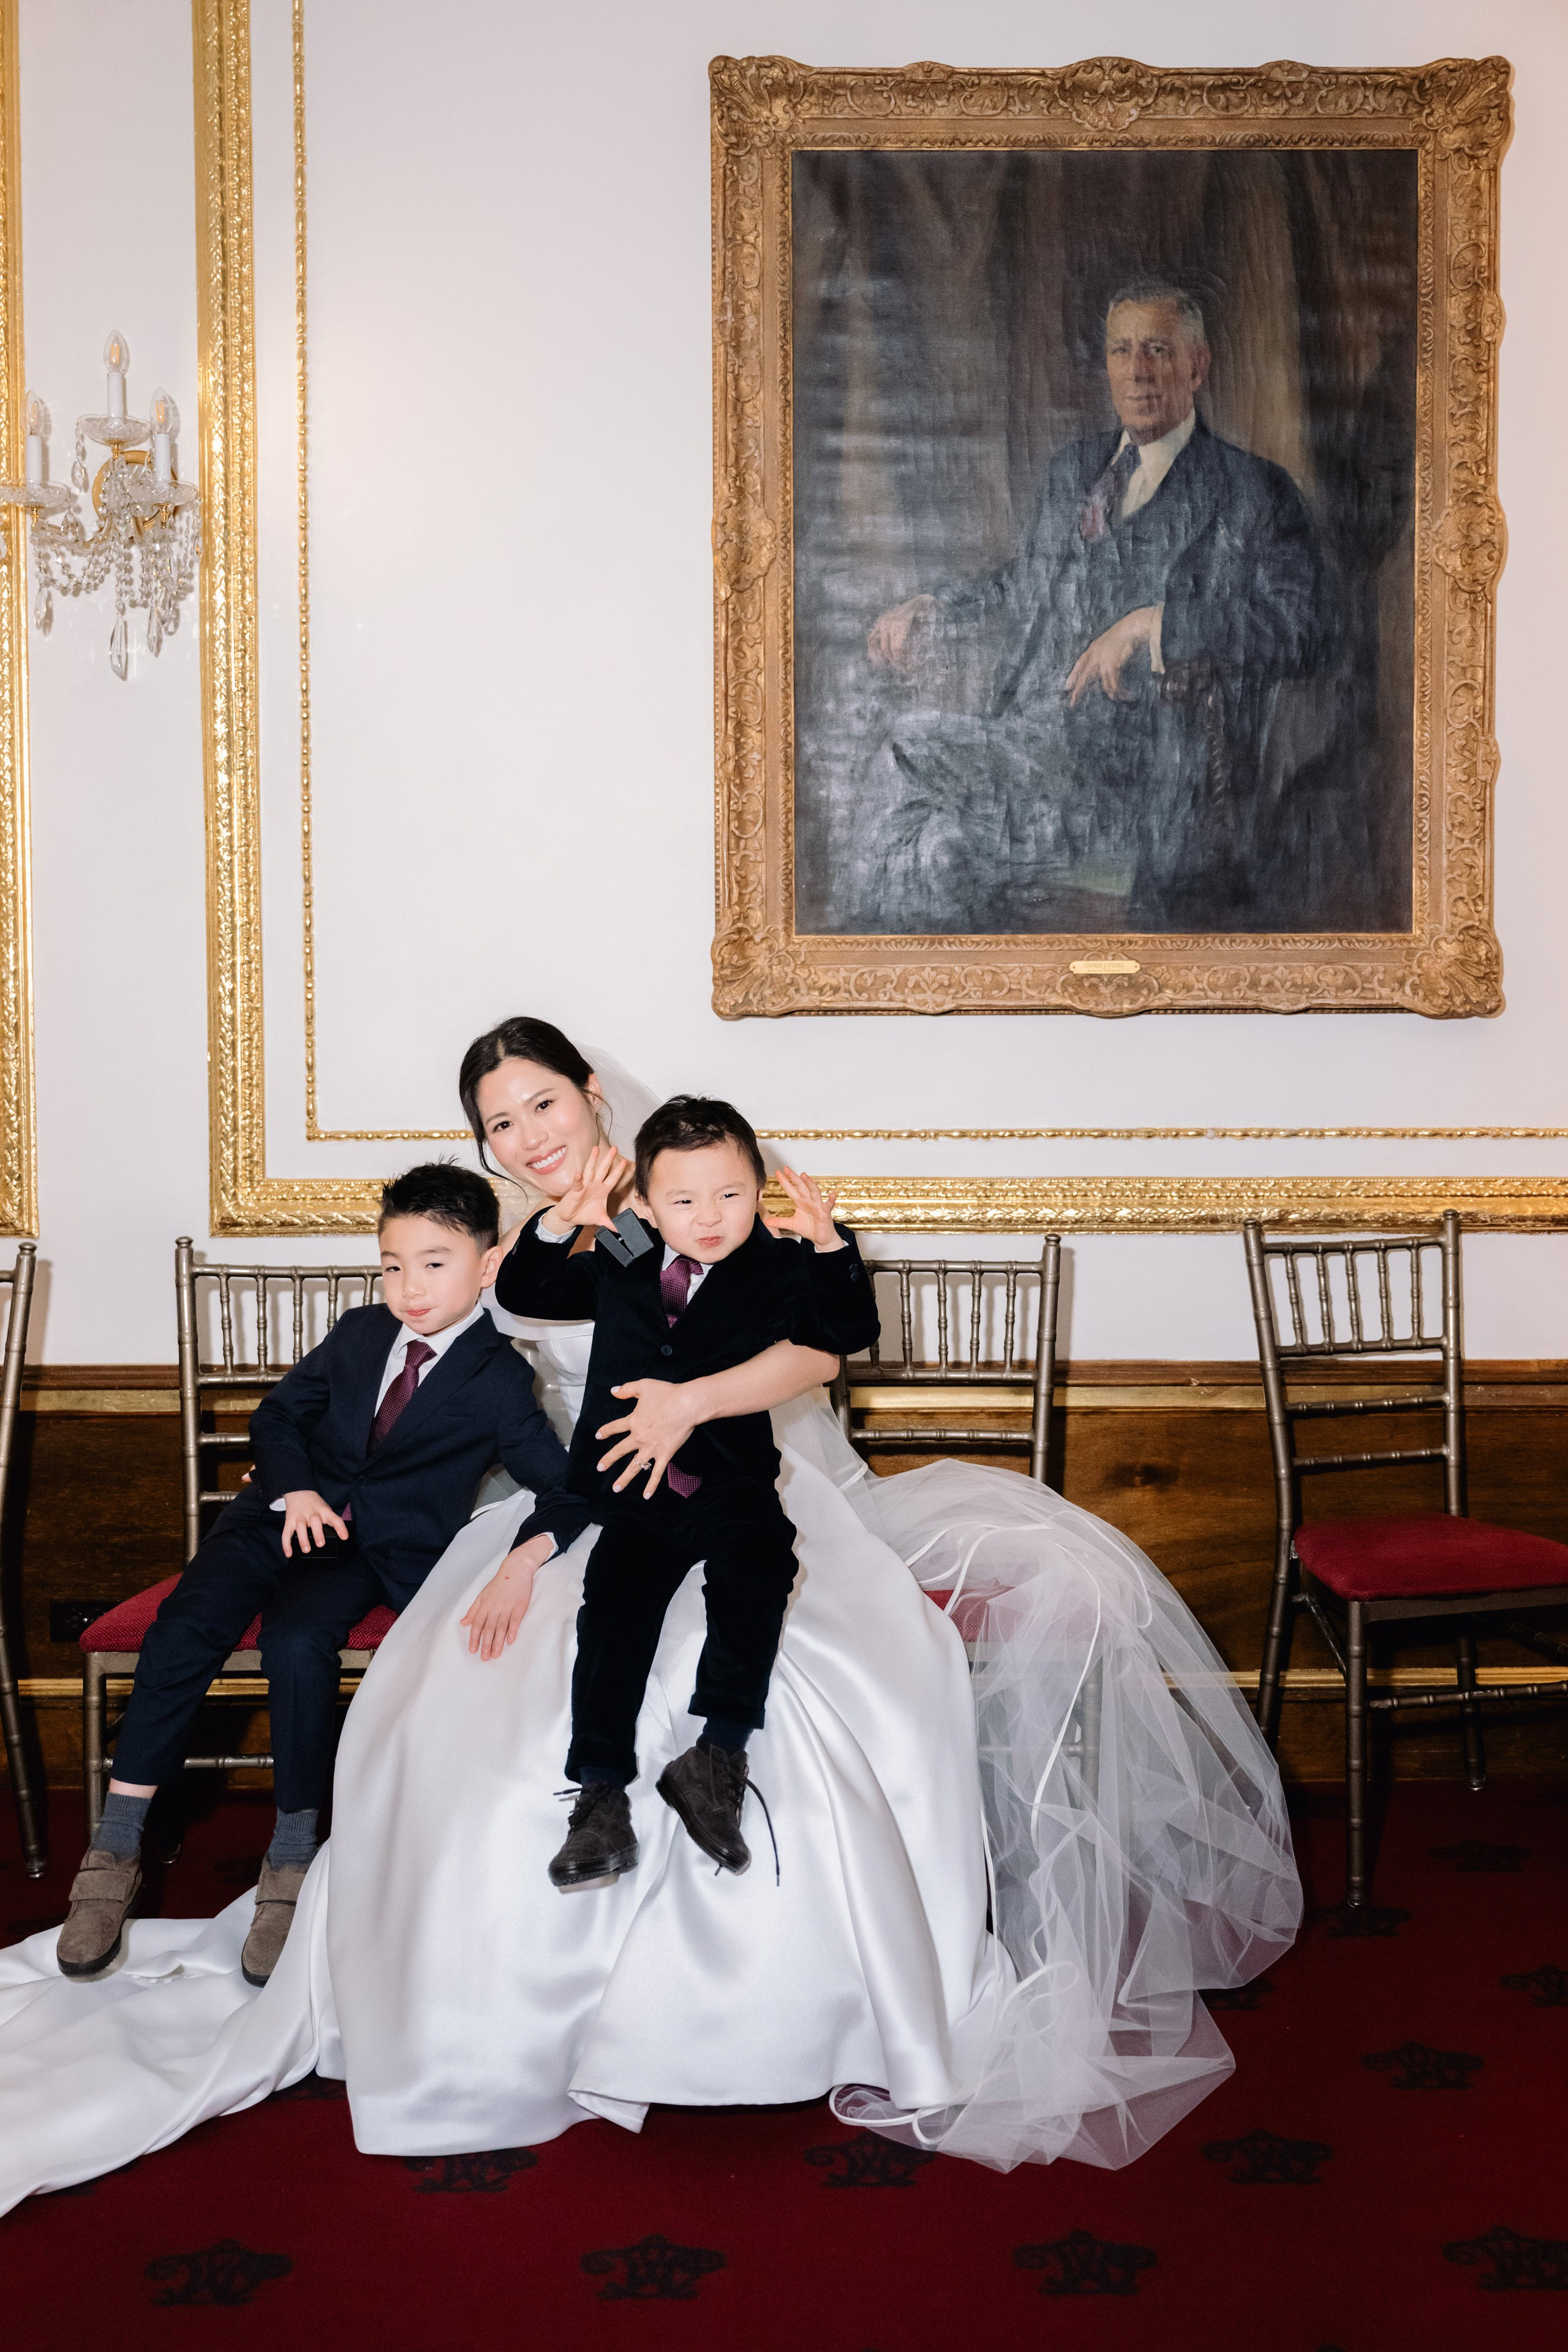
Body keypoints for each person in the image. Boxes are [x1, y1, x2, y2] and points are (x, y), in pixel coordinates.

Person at [0, 1017, 1299, 2206]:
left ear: (590, 1095)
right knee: (487, 1691)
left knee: (804, 1674)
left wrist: (687, 1403)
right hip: (586, 1501)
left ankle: (791, 1992)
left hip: (745, 1471)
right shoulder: (514, 1254)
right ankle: (497, 1992)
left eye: (542, 1105)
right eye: (498, 1124)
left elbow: (811, 1346)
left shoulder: (693, 1189)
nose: (527, 1137)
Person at [53, 1164, 588, 1991]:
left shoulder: (499, 1381)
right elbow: (278, 1415)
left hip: (363, 1554)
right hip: (274, 1512)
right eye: (393, 1264)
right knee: (191, 1622)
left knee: (300, 1643)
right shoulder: (358, 1332)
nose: (409, 1287)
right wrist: (295, 1487)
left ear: (487, 1266)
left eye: (435, 1263)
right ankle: (116, 1842)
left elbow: (566, 1488)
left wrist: (525, 1559)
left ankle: (292, 1859)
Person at [860, 281, 1333, 931]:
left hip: (1140, 779)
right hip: (1028, 747)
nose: (1137, 372)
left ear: (1197, 366)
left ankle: (863, 960)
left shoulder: (1252, 491)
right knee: (938, 854)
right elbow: (1022, 581)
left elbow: (1303, 632)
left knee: (901, 749)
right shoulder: (1073, 471)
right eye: (1122, 351)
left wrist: (1159, 625)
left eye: (1158, 350)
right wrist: (936, 606)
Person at [492, 1098, 878, 1887]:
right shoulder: (632, 1244)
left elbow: (846, 1332)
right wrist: (564, 1218)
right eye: (684, 1200)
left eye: (730, 1195)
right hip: (630, 1486)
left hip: (727, 1475)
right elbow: (534, 1291)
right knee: (614, 1614)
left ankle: (717, 1753)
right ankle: (599, 1794)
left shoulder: (774, 1261)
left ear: (760, 1187)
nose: (708, 1218)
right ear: (649, 1201)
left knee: (760, 1563)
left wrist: (831, 1243)